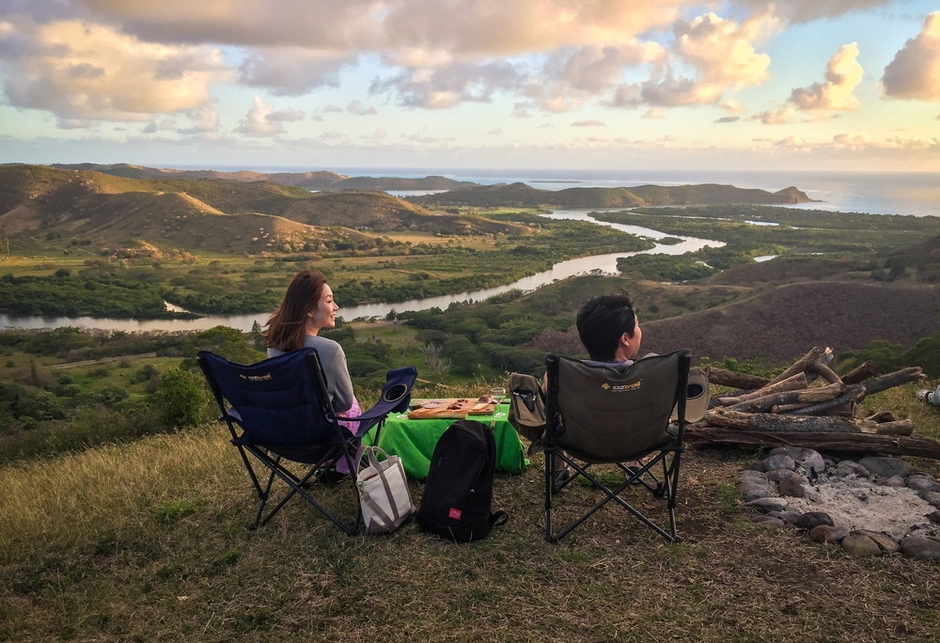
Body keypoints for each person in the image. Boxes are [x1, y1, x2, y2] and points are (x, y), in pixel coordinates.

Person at [264, 270, 362, 439]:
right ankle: (350, 462)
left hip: (288, 436)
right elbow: (344, 404)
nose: (336, 307)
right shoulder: (331, 350)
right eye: (329, 300)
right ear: (309, 309)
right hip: (326, 438)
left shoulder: (274, 345)